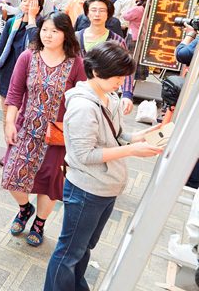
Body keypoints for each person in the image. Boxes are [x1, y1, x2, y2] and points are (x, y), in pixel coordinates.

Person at [43, 43, 163, 291]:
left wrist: (137, 137)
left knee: (83, 247)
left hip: (105, 187)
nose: (122, 81)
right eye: (118, 76)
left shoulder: (110, 97)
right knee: (69, 252)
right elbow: (84, 154)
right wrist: (131, 150)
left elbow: (114, 135)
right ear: (96, 72)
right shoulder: (82, 106)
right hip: (86, 188)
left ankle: (75, 284)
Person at [2, 13, 86, 247]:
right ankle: (24, 208)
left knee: (50, 182)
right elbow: (15, 92)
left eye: (55, 31)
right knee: (12, 176)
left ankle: (39, 222)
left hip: (57, 136)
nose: (48, 35)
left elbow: (81, 98)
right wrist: (10, 122)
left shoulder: (76, 64)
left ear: (65, 35)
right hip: (26, 129)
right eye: (45, 30)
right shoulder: (28, 57)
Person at [76, 0, 134, 115]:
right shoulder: (75, 37)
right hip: (79, 93)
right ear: (87, 13)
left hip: (106, 96)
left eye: (102, 10)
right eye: (93, 10)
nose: (97, 14)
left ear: (108, 14)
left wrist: (127, 94)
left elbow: (125, 68)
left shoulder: (116, 40)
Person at [0, 0, 43, 110]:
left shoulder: (42, 24)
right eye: (25, 0)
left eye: (32, 2)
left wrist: (31, 17)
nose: (27, 3)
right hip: (7, 72)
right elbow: (1, 45)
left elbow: (34, 44)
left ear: (39, 7)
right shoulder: (12, 22)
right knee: (6, 114)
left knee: (21, 115)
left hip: (28, 75)